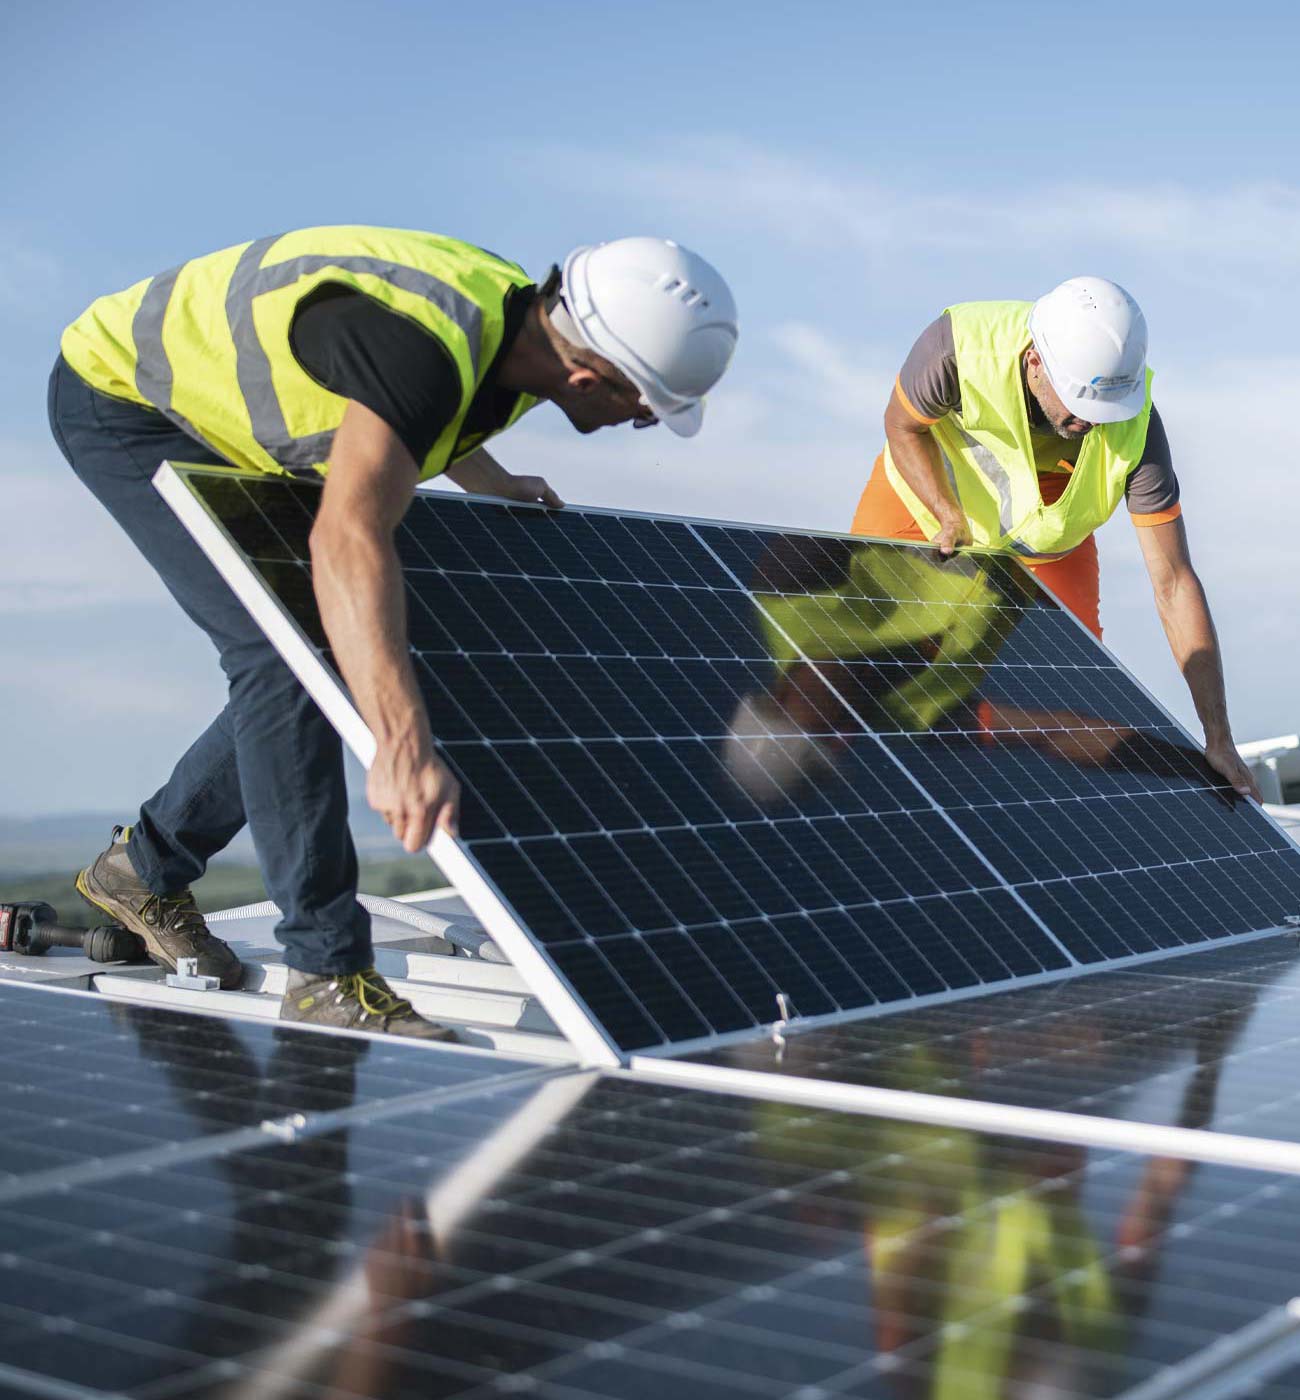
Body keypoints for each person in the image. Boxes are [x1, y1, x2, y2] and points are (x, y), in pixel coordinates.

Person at [50, 227, 738, 1038]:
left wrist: (490, 480)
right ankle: (327, 971)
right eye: (647, 404)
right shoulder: (425, 345)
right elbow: (348, 533)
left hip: (230, 425)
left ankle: (144, 869)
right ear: (591, 373)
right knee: (284, 655)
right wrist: (401, 746)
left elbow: (419, 414)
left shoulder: (527, 329)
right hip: (128, 401)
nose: (647, 424)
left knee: (343, 645)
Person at [850, 277, 1259, 800]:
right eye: (1077, 403)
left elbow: (1174, 582)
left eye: (1102, 411)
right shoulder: (956, 346)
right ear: (1034, 361)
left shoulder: (1137, 431)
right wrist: (946, 514)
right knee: (863, 660)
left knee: (1068, 689)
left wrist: (1218, 736)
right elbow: (903, 426)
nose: (1088, 422)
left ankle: (1017, 818)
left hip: (1045, 540)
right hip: (924, 502)